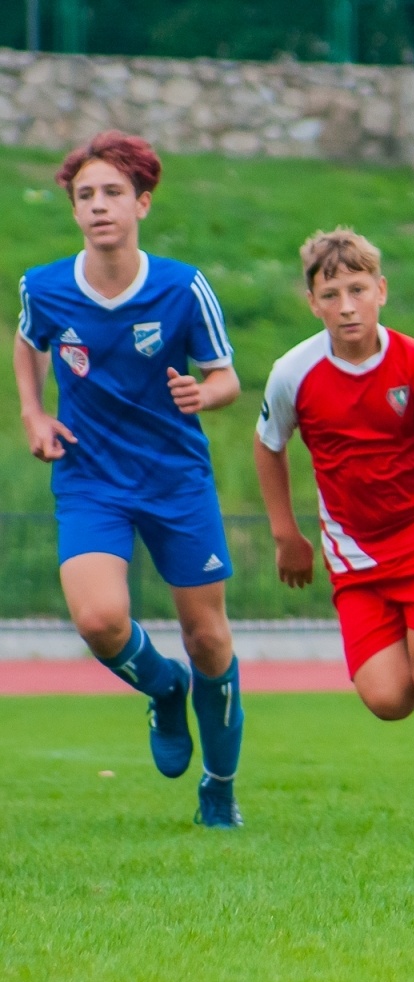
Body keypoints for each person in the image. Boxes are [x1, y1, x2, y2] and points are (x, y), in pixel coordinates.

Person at [13, 130, 245, 828]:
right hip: (91, 478)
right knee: (98, 619)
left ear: (142, 202)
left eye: (113, 192)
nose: (98, 206)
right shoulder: (45, 286)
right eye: (85, 195)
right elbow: (28, 345)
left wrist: (206, 395)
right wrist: (34, 413)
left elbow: (226, 376)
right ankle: (165, 689)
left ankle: (219, 787)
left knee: (208, 637)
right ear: (74, 209)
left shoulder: (182, 286)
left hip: (176, 481)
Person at [254, 228, 414, 837]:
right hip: (353, 550)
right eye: (331, 293)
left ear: (381, 291)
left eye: (358, 289)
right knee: (387, 699)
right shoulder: (293, 372)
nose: (346, 305)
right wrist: (287, 534)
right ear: (312, 302)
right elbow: (268, 447)